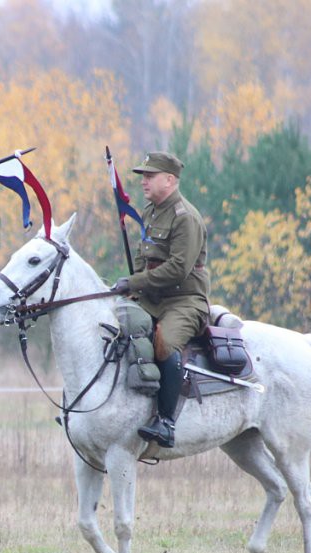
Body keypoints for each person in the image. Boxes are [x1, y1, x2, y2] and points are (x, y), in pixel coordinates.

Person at [112, 151, 209, 448]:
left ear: (170, 180)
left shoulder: (186, 218)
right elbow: (146, 260)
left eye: (150, 176)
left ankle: (166, 422)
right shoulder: (151, 211)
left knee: (164, 342)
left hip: (185, 301)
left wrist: (135, 281)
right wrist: (133, 287)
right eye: (143, 176)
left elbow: (178, 269)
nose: (144, 181)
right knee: (112, 328)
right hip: (152, 298)